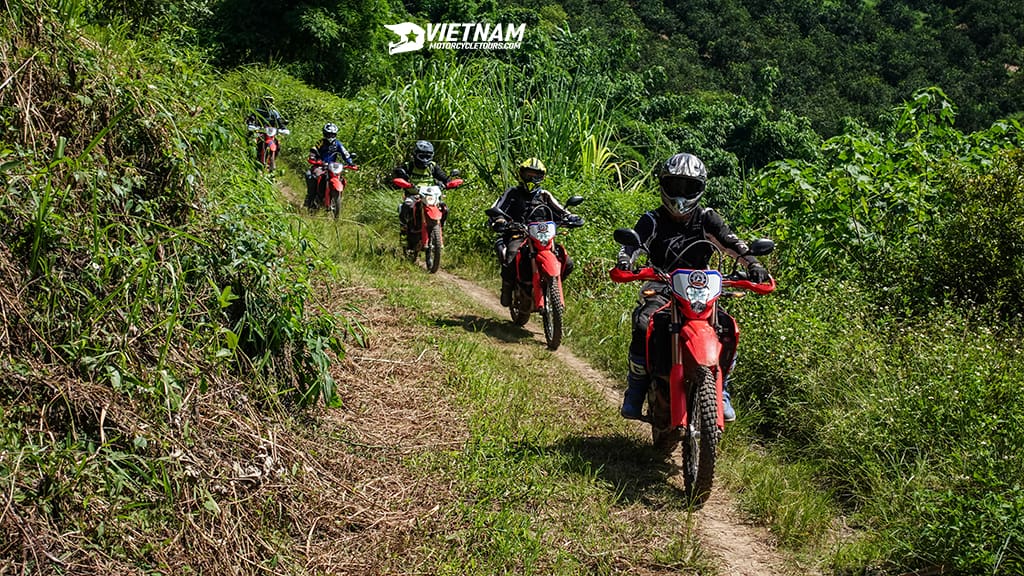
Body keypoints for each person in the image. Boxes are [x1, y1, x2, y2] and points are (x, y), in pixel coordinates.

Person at [615, 152, 770, 422]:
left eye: (689, 188)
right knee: (643, 322)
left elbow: (732, 243)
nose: (681, 195)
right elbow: (634, 243)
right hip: (661, 284)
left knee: (726, 328)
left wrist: (753, 264)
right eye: (675, 186)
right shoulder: (652, 219)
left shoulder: (707, 218)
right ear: (664, 185)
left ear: (700, 189)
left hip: (700, 289)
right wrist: (626, 260)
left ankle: (722, 390)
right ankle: (636, 388)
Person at [487, 158, 583, 307]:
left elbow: (561, 211)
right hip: (518, 234)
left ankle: (551, 287)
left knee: (567, 262)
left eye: (536, 176)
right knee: (511, 255)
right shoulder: (512, 192)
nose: (532, 179)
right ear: (521, 175)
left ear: (542, 178)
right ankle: (507, 288)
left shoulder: (544, 195)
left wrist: (571, 217)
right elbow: (498, 208)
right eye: (528, 175)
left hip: (542, 237)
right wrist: (499, 220)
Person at [392, 140, 453, 240]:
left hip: (431, 196)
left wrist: (448, 183)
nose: (425, 159)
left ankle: (440, 227)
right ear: (415, 155)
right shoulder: (409, 166)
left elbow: (443, 177)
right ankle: (404, 227)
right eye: (422, 156)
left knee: (445, 208)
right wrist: (401, 175)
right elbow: (398, 175)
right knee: (406, 206)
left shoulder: (432, 166)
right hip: (413, 195)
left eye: (427, 156)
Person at [305, 123, 355, 208]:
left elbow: (345, 153)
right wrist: (313, 158)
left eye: (332, 134)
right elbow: (314, 150)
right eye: (328, 134)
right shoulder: (320, 142)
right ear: (324, 134)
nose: (330, 136)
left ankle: (335, 197)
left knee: (341, 179)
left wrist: (350, 163)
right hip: (320, 165)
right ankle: (311, 198)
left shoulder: (338, 144)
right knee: (314, 176)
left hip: (333, 167)